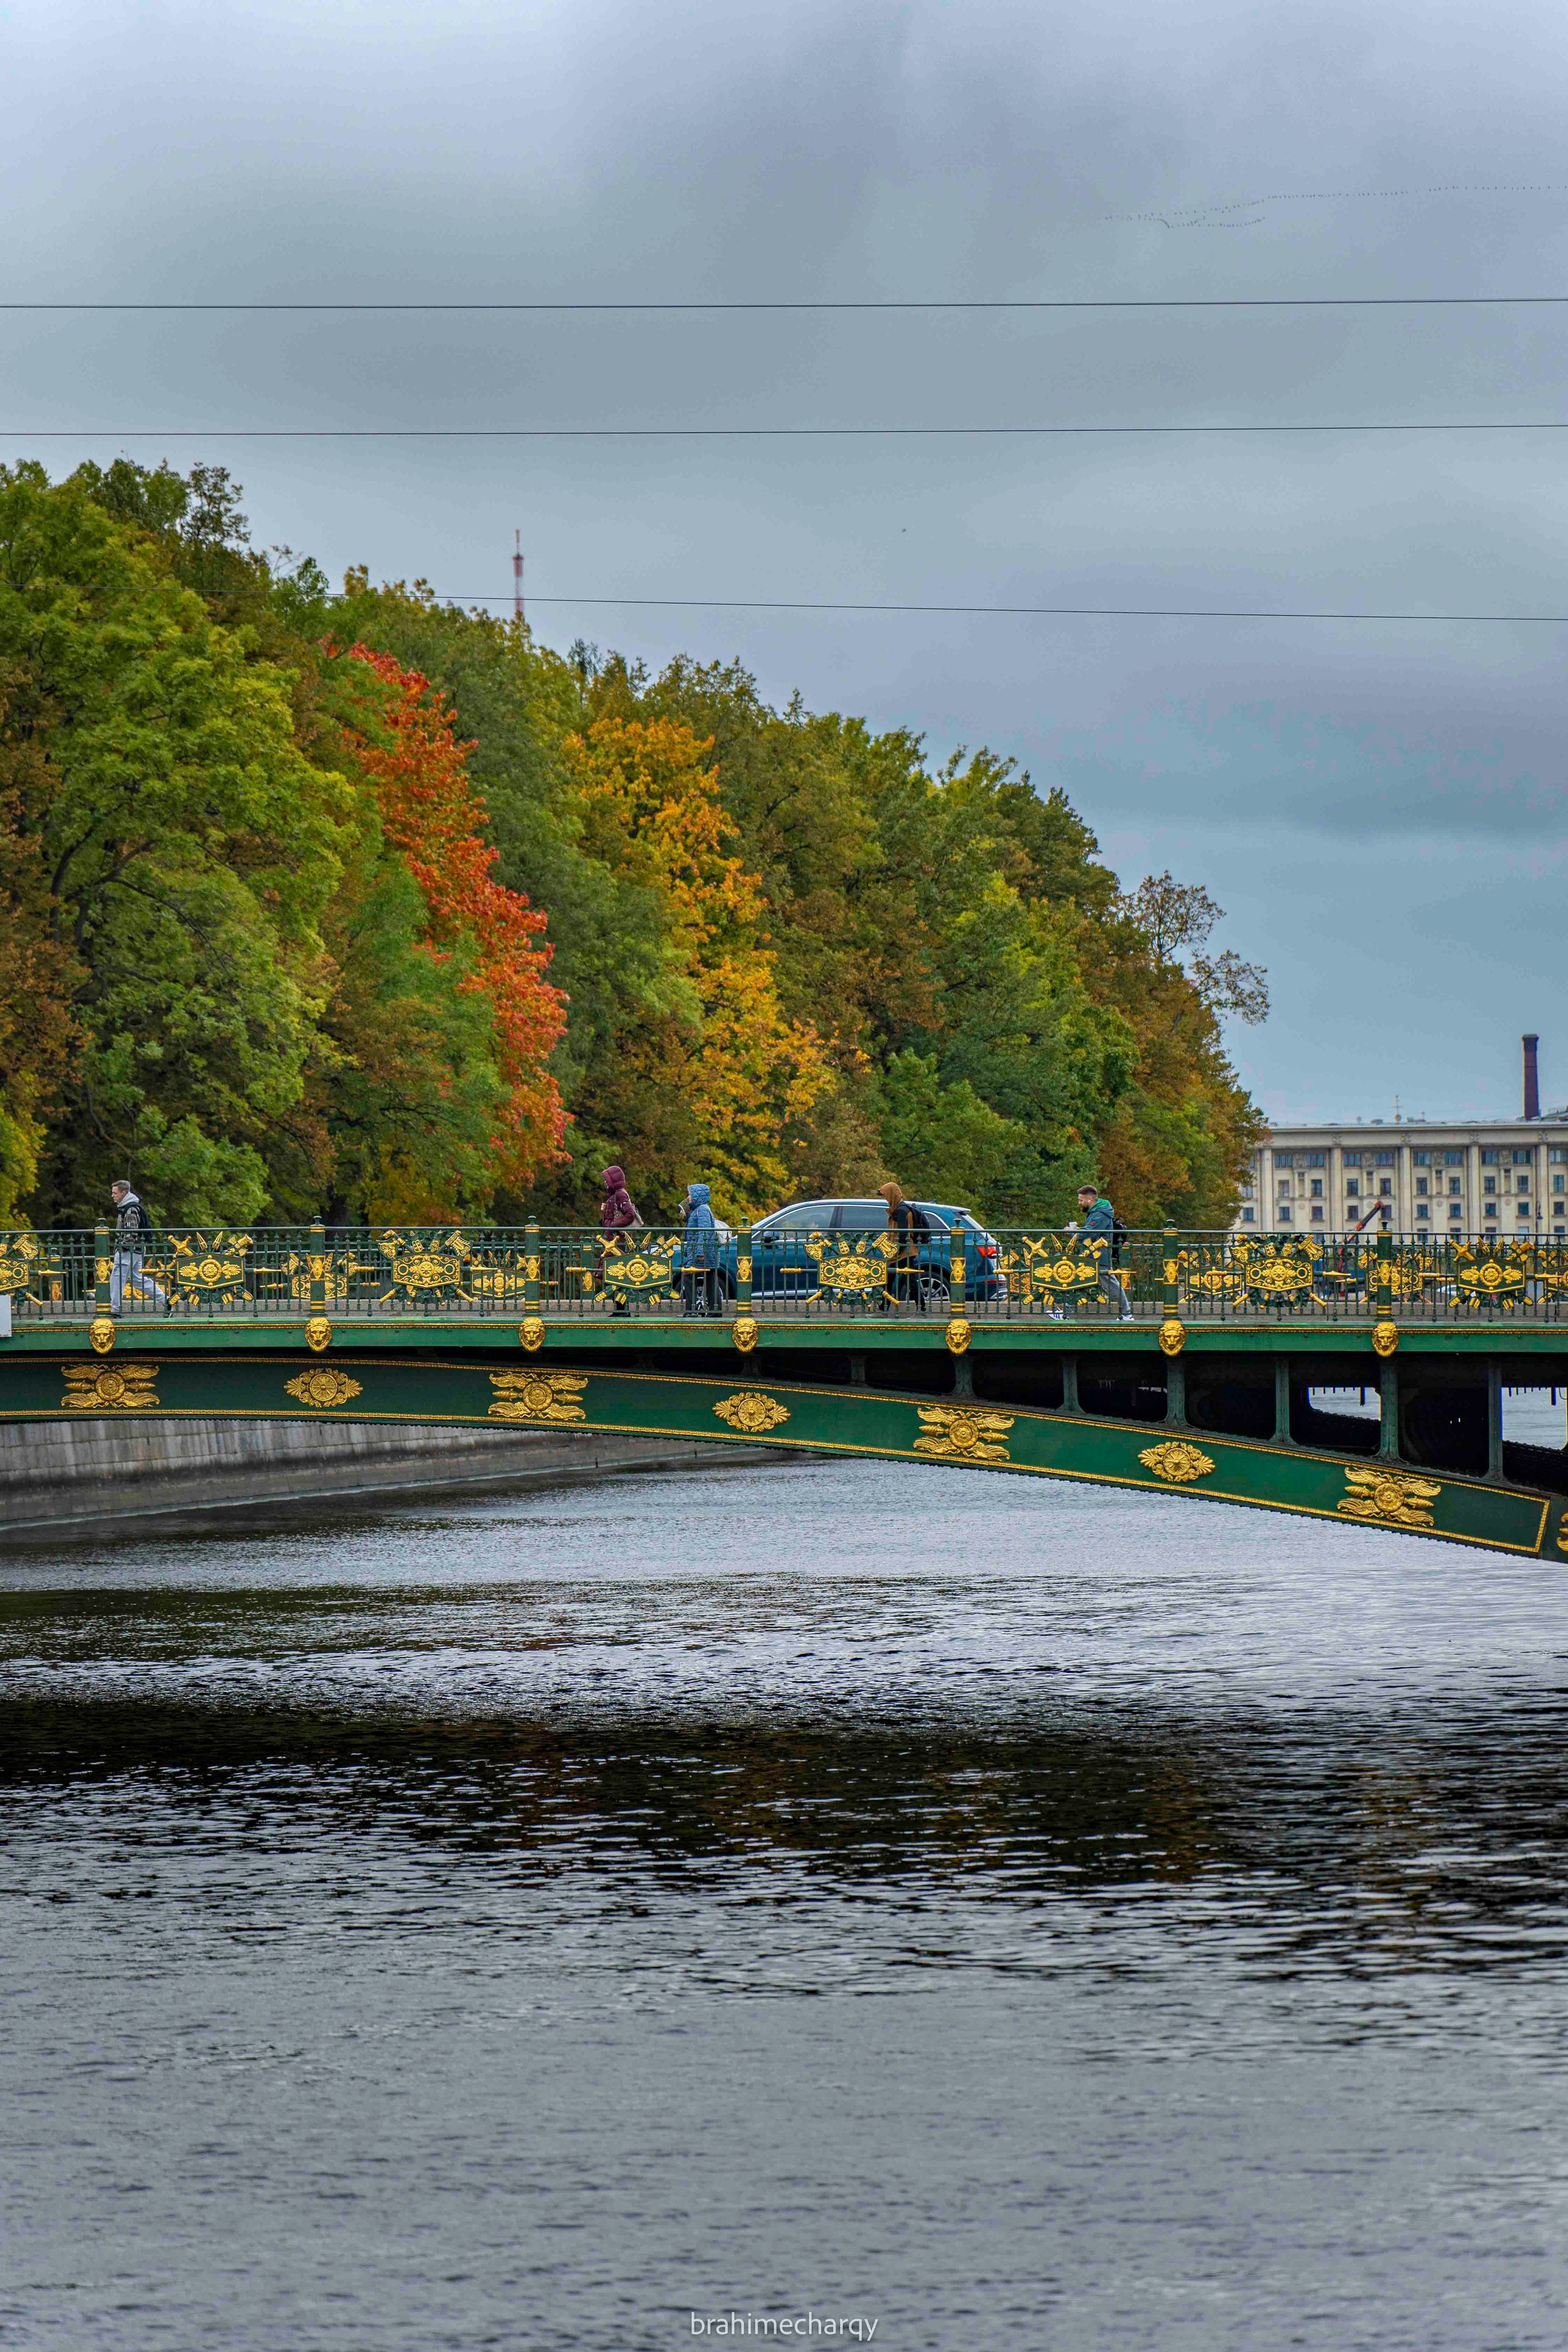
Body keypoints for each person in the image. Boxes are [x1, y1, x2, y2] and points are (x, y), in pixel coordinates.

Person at [1072, 1182, 1136, 1321]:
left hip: (1099, 1254)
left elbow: (1089, 1233)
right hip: (1093, 1253)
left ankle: (1127, 1314)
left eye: (1081, 1200)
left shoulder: (1100, 1214)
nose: (1080, 1203)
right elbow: (1090, 1230)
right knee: (1076, 1278)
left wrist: (1072, 1233)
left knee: (1109, 1283)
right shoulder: (1097, 1211)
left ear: (1090, 1200)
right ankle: (1066, 1311)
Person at [108, 1178, 168, 1313]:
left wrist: (121, 1249)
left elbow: (131, 1232)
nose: (113, 1196)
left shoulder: (130, 1209)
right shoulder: (131, 1207)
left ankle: (115, 1310)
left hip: (128, 1251)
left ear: (123, 1193)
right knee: (137, 1280)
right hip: (136, 1250)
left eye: (115, 1193)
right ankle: (166, 1300)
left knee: (117, 1278)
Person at [598, 1163, 641, 1314]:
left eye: (607, 1180)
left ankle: (622, 1310)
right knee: (613, 1274)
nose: (605, 1183)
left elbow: (630, 1214)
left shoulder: (621, 1194)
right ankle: (619, 1309)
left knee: (617, 1274)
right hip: (612, 1240)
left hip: (617, 1242)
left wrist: (612, 1226)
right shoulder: (614, 1195)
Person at [878, 1180, 926, 1306]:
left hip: (904, 1251)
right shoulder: (900, 1208)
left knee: (909, 1281)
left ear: (892, 1195)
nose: (886, 1200)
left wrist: (896, 1250)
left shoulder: (901, 1210)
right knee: (893, 1279)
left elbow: (903, 1233)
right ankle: (884, 1307)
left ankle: (922, 1308)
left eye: (887, 1196)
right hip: (904, 1250)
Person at [681, 1180, 720, 1317]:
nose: (688, 1198)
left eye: (690, 1195)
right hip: (705, 1251)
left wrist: (700, 1251)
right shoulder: (699, 1210)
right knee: (710, 1279)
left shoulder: (702, 1210)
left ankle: (692, 1310)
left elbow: (704, 1231)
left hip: (702, 1251)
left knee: (688, 1275)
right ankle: (715, 1311)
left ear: (698, 1196)